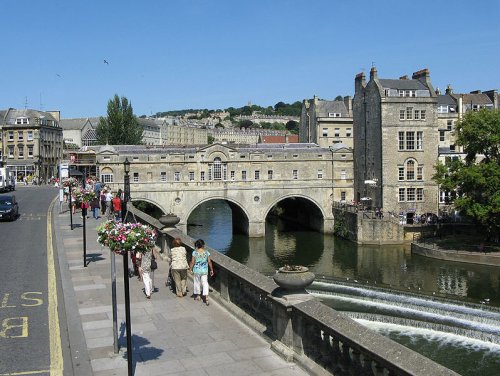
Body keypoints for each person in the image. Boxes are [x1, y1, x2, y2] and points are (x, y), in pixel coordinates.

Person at [190, 239, 214, 306]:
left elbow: (192, 262)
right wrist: (211, 270)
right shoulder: (206, 252)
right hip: (204, 271)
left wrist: (190, 269)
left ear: (197, 245)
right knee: (205, 283)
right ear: (203, 245)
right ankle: (206, 297)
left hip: (197, 270)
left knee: (197, 282)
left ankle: (198, 296)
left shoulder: (194, 253)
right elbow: (209, 262)